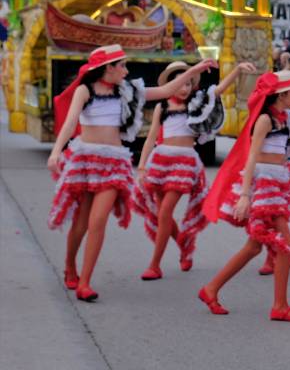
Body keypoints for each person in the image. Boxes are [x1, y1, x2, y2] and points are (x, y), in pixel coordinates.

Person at [48, 45, 189, 301]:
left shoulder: (127, 91)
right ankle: (70, 265)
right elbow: (70, 123)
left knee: (98, 220)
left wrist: (198, 68)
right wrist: (56, 152)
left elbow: (166, 91)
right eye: (121, 65)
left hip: (114, 163)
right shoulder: (85, 90)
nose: (126, 71)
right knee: (81, 222)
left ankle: (85, 282)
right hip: (86, 160)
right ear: (108, 68)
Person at [198, 70, 290, 321]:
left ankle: (211, 289)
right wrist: (245, 195)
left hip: (276, 185)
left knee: (253, 247)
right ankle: (280, 306)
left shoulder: (285, 119)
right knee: (285, 246)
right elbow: (250, 156)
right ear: (281, 95)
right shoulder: (265, 120)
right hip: (263, 187)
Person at [133, 59, 252, 279]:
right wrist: (141, 167)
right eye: (181, 83)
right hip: (160, 161)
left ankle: (155, 265)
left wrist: (236, 70)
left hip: (185, 163)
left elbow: (218, 90)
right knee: (162, 214)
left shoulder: (196, 105)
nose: (184, 88)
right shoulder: (162, 107)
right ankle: (184, 246)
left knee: (165, 212)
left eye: (188, 84)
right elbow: (151, 138)